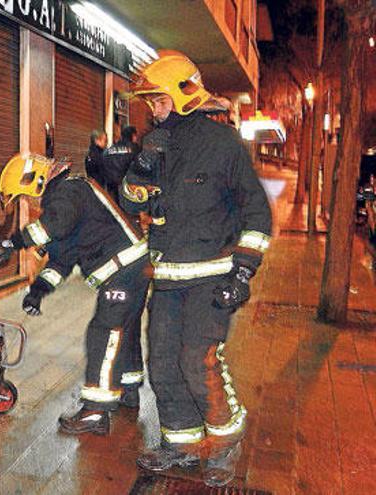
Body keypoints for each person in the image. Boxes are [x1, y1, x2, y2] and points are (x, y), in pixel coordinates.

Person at [120, 51, 272, 487]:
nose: (154, 109)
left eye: (160, 100)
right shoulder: (155, 144)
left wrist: (243, 273)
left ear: (184, 94)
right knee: (163, 362)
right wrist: (141, 169)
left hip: (213, 277)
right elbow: (131, 200)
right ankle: (182, 444)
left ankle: (226, 440)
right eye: (150, 102)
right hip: (167, 277)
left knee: (197, 360)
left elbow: (257, 214)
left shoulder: (223, 145)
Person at [0, 151, 149, 436]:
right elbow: (62, 260)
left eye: (24, 196)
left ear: (36, 182)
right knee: (124, 330)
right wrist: (38, 291)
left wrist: (14, 242)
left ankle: (96, 410)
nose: (28, 204)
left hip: (123, 270)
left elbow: (55, 226)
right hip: (131, 269)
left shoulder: (68, 192)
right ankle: (128, 389)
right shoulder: (67, 197)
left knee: (104, 333)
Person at [100, 126, 140, 202]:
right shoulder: (135, 149)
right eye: (136, 136)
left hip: (111, 186)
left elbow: (102, 165)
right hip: (127, 187)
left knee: (115, 209)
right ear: (133, 135)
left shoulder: (109, 150)